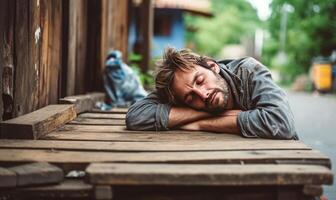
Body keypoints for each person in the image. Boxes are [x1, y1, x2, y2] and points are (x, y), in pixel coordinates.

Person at [126, 47, 298, 140]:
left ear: (212, 66)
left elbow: (280, 123)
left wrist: (201, 124)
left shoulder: (249, 71)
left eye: (200, 80)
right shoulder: (178, 89)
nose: (202, 94)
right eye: (190, 98)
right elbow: (135, 116)